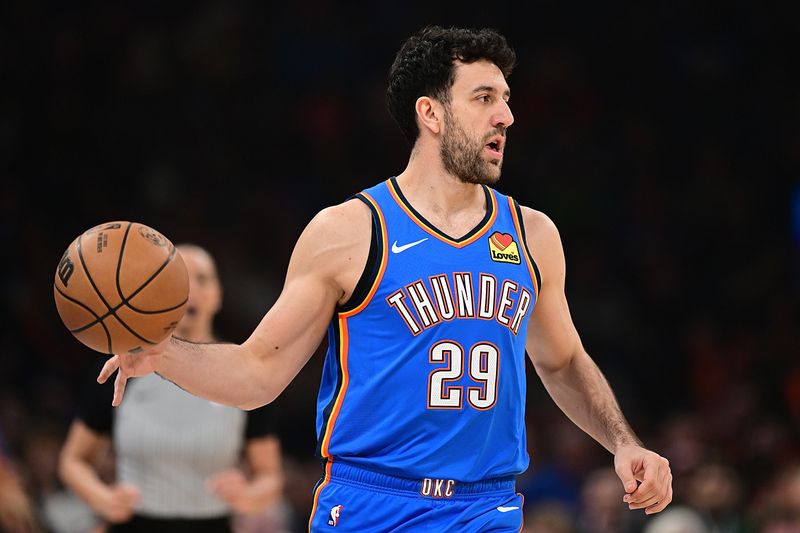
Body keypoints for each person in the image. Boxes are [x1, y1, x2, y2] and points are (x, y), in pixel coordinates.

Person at [96, 26, 673, 531]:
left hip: (485, 509)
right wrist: (162, 353)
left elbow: (563, 361)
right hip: (372, 503)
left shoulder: (532, 233)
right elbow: (258, 371)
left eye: (506, 100)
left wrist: (623, 443)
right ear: (431, 113)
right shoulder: (350, 231)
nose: (507, 115)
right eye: (484, 98)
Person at [59, 244, 285, 532]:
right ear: (153, 290)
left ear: (218, 295)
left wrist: (249, 496)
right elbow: (72, 461)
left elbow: (270, 477)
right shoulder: (123, 364)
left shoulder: (242, 374)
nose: (191, 290)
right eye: (180, 278)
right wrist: (102, 499)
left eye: (202, 279)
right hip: (134, 524)